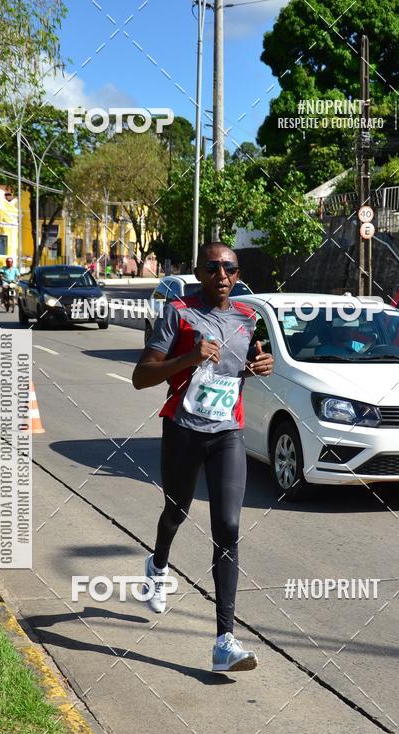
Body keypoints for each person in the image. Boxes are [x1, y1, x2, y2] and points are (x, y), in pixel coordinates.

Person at [132, 241, 274, 673]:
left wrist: (257, 366)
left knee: (228, 527)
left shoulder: (248, 318)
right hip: (182, 430)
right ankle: (158, 565)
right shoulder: (177, 312)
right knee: (175, 510)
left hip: (227, 433)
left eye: (230, 267)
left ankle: (224, 642)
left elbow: (240, 370)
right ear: (198, 271)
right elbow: (142, 377)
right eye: (213, 268)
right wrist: (189, 357)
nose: (222, 276)